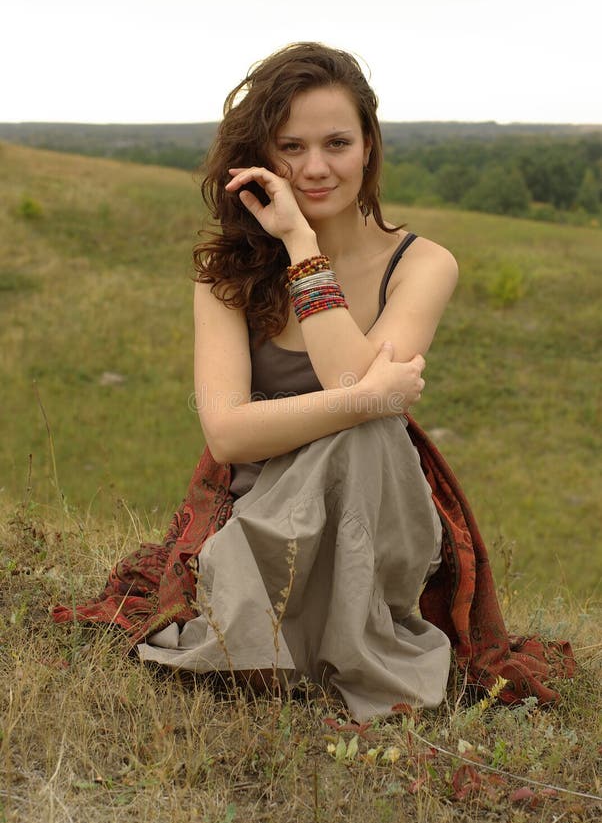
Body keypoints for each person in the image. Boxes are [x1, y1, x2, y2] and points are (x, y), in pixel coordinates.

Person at [52, 42, 575, 720]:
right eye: (291, 147)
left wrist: (304, 250)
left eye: (337, 142)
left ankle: (334, 651)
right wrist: (364, 397)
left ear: (369, 147)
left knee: (369, 439)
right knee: (368, 420)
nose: (316, 167)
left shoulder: (423, 265)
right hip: (263, 513)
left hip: (377, 507)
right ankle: (292, 644)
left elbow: (347, 377)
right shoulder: (226, 276)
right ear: (262, 158)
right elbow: (229, 432)